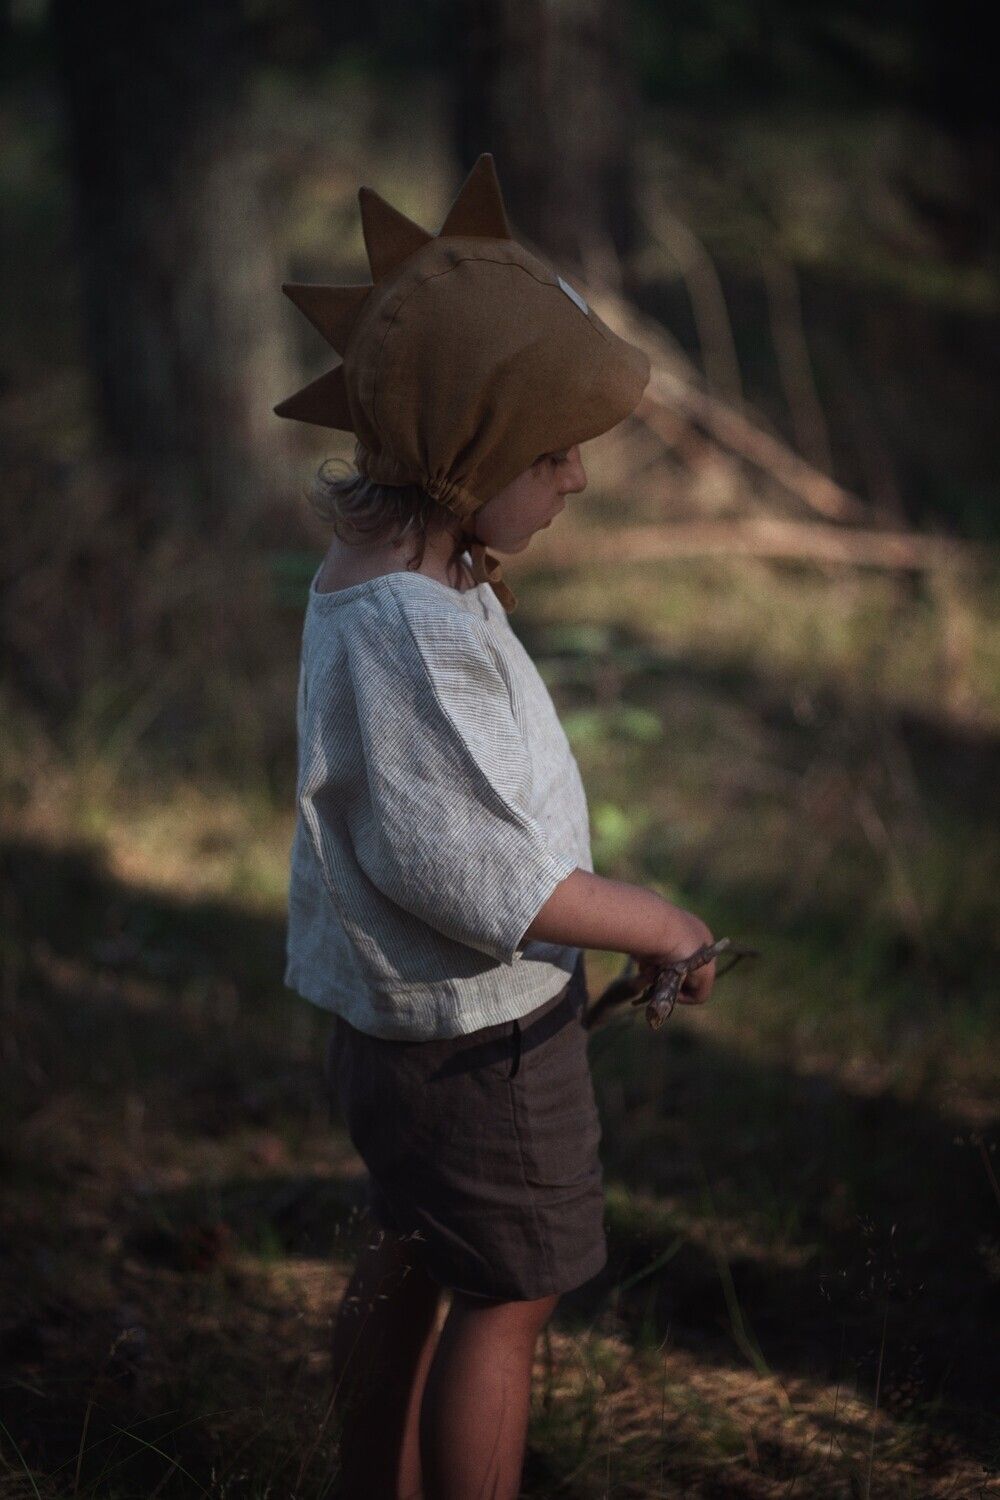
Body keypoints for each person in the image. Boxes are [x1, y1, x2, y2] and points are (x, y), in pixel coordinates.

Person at [275, 154, 717, 1500]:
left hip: (413, 1038)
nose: (577, 479)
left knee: (417, 1254)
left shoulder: (397, 577)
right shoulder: (409, 633)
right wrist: (653, 919)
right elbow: (474, 874)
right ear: (468, 453)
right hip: (475, 1047)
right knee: (507, 1299)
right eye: (555, 450)